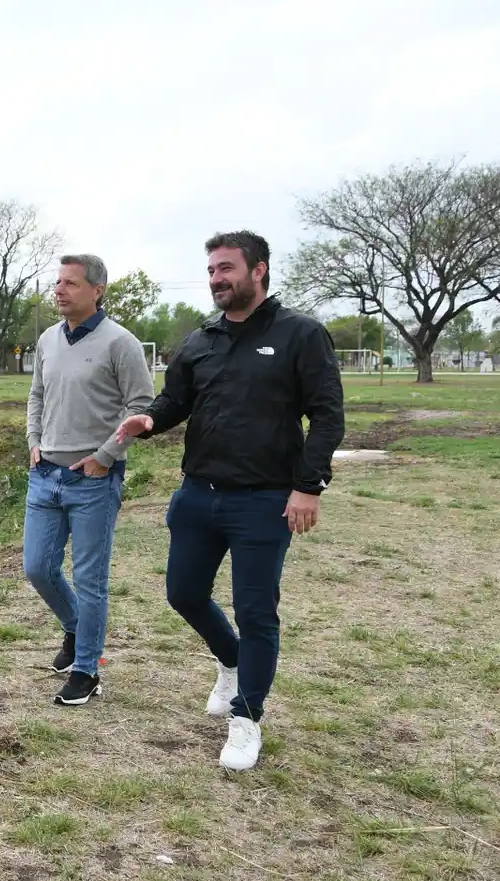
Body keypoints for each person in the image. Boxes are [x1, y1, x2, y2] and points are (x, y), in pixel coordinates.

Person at [115, 231, 344, 770]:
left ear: (258, 271)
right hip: (198, 495)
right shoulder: (202, 340)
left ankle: (247, 718)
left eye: (227, 269)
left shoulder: (301, 334)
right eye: (212, 270)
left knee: (257, 611)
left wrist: (308, 486)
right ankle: (232, 661)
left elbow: (327, 416)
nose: (217, 279)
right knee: (184, 594)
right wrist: (150, 420)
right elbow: (176, 401)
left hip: (264, 501)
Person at [24, 254, 155, 706]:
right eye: (58, 282)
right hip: (45, 474)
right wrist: (33, 439)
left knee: (90, 580)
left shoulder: (121, 343)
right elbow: (37, 394)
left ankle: (86, 670)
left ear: (97, 290)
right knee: (37, 568)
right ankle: (77, 628)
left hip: (92, 481)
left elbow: (141, 406)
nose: (59, 290)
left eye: (71, 283)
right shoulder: (46, 339)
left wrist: (106, 456)